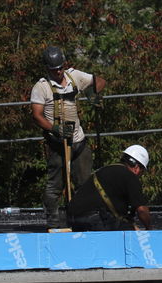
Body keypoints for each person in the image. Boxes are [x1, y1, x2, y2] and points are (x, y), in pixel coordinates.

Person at [30, 45, 106, 229]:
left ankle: (83, 220)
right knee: (55, 185)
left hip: (79, 141)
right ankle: (53, 222)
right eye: (54, 69)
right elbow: (37, 115)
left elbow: (100, 81)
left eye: (60, 68)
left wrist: (91, 93)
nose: (58, 72)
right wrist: (54, 129)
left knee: (85, 182)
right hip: (57, 144)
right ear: (47, 69)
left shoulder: (74, 77)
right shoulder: (41, 87)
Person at [67, 145, 152, 231]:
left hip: (73, 218)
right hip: (95, 219)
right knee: (127, 234)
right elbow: (142, 210)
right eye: (142, 172)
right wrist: (149, 228)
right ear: (137, 168)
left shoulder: (104, 170)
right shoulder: (130, 177)